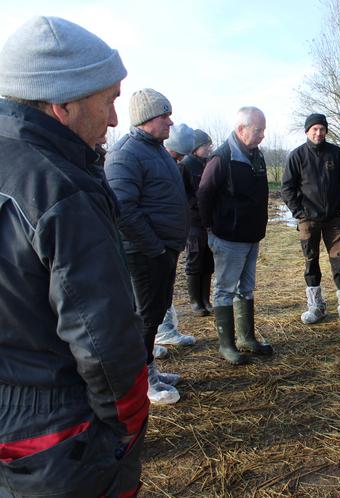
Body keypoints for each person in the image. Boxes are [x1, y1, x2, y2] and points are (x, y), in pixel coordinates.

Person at [0, 16, 148, 496]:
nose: (113, 119)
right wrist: (125, 428)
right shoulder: (60, 190)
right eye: (107, 102)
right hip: (59, 434)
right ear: (61, 104)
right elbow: (105, 341)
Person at [105, 89, 189, 404]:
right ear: (145, 119)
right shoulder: (125, 154)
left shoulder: (155, 150)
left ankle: (149, 370)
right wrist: (154, 248)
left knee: (153, 316)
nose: (170, 121)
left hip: (161, 251)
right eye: (164, 115)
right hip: (142, 254)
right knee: (142, 318)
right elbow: (123, 209)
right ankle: (142, 383)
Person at [197, 107, 273, 365]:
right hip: (228, 238)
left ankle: (247, 338)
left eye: (263, 129)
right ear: (241, 129)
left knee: (247, 288)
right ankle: (227, 345)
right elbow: (204, 194)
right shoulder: (222, 158)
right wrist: (210, 229)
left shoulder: (257, 156)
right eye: (258, 130)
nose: (263, 135)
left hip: (251, 236)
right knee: (225, 289)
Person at [281, 113, 340, 328]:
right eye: (314, 129)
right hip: (308, 221)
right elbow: (287, 188)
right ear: (307, 131)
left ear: (326, 131)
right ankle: (316, 307)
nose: (318, 133)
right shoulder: (297, 156)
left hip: (335, 220)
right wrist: (299, 212)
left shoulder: (336, 153)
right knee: (310, 262)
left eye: (322, 129)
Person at [155, 123, 198, 348]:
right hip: (156, 240)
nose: (180, 159)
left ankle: (166, 329)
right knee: (152, 293)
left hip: (171, 238)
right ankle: (155, 339)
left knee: (165, 287)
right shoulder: (158, 162)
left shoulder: (172, 163)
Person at [181, 129, 215, 316]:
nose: (209, 148)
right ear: (195, 148)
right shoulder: (185, 166)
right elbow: (183, 193)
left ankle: (205, 298)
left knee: (208, 260)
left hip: (208, 222)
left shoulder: (208, 164)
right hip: (193, 222)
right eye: (205, 145)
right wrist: (196, 204)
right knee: (195, 259)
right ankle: (195, 301)